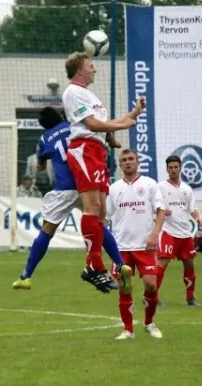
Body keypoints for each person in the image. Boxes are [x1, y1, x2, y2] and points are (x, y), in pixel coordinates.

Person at [12, 107, 124, 292]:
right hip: (86, 184)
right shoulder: (76, 126)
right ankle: (120, 264)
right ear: (62, 117)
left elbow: (40, 166)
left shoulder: (45, 138)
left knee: (46, 231)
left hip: (64, 189)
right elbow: (101, 130)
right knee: (97, 225)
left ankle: (26, 276)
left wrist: (43, 162)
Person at [62, 51, 144, 293]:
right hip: (83, 150)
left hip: (97, 151)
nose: (94, 69)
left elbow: (104, 128)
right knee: (92, 208)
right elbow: (92, 125)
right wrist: (122, 124)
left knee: (101, 213)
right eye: (90, 66)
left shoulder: (89, 95)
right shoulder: (73, 92)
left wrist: (133, 114)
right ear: (79, 70)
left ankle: (92, 266)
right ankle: (95, 264)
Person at [106, 149, 166, 339]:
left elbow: (161, 211)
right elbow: (105, 219)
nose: (127, 162)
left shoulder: (149, 184)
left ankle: (149, 323)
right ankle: (128, 330)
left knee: (150, 284)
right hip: (121, 248)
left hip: (145, 246)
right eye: (124, 160)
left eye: (131, 159)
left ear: (138, 162)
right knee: (125, 287)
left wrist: (154, 234)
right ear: (120, 164)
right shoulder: (114, 188)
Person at [157, 155, 202, 307]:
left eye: (176, 167)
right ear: (167, 169)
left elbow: (192, 209)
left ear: (180, 168)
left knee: (189, 264)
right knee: (162, 262)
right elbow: (153, 205)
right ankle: (152, 296)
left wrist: (198, 218)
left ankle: (190, 297)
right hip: (168, 231)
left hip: (185, 233)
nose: (174, 170)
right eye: (171, 167)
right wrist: (162, 210)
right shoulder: (161, 187)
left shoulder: (187, 189)